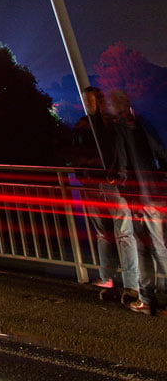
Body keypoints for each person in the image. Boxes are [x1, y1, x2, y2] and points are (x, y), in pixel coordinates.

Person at [71, 86, 139, 305]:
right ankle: (112, 280)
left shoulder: (99, 125)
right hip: (95, 185)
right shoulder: (88, 125)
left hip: (109, 185)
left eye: (90, 101)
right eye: (86, 101)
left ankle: (128, 284)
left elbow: (118, 151)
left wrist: (117, 177)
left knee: (120, 234)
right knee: (109, 234)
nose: (88, 105)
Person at [107, 90, 167, 316]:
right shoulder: (143, 124)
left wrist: (119, 183)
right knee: (159, 245)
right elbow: (160, 152)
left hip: (138, 195)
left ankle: (147, 299)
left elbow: (123, 164)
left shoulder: (119, 130)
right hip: (155, 192)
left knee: (145, 248)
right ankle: (149, 297)